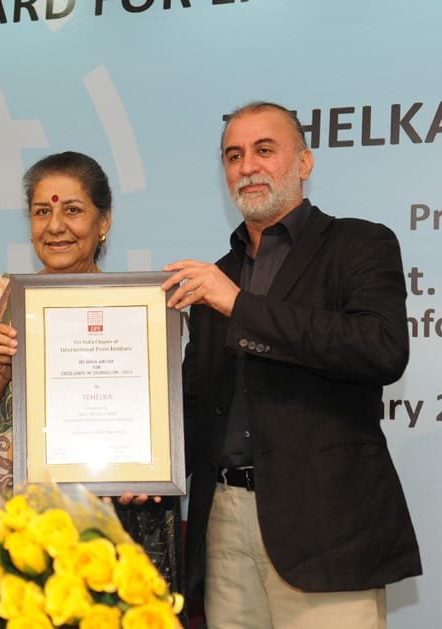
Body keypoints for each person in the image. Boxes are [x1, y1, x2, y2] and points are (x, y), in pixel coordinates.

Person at [162, 102, 422, 628]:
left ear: (304, 163)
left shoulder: (359, 243)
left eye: (264, 149)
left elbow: (381, 346)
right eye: (233, 155)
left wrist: (240, 306)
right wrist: (147, 465)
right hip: (224, 524)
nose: (247, 166)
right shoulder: (218, 275)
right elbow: (192, 402)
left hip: (327, 526)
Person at [0, 151, 183, 595]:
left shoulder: (136, 310)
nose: (55, 226)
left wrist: (142, 471)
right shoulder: (1, 299)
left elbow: (154, 433)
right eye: (41, 211)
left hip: (96, 536)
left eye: (72, 210)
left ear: (103, 222)